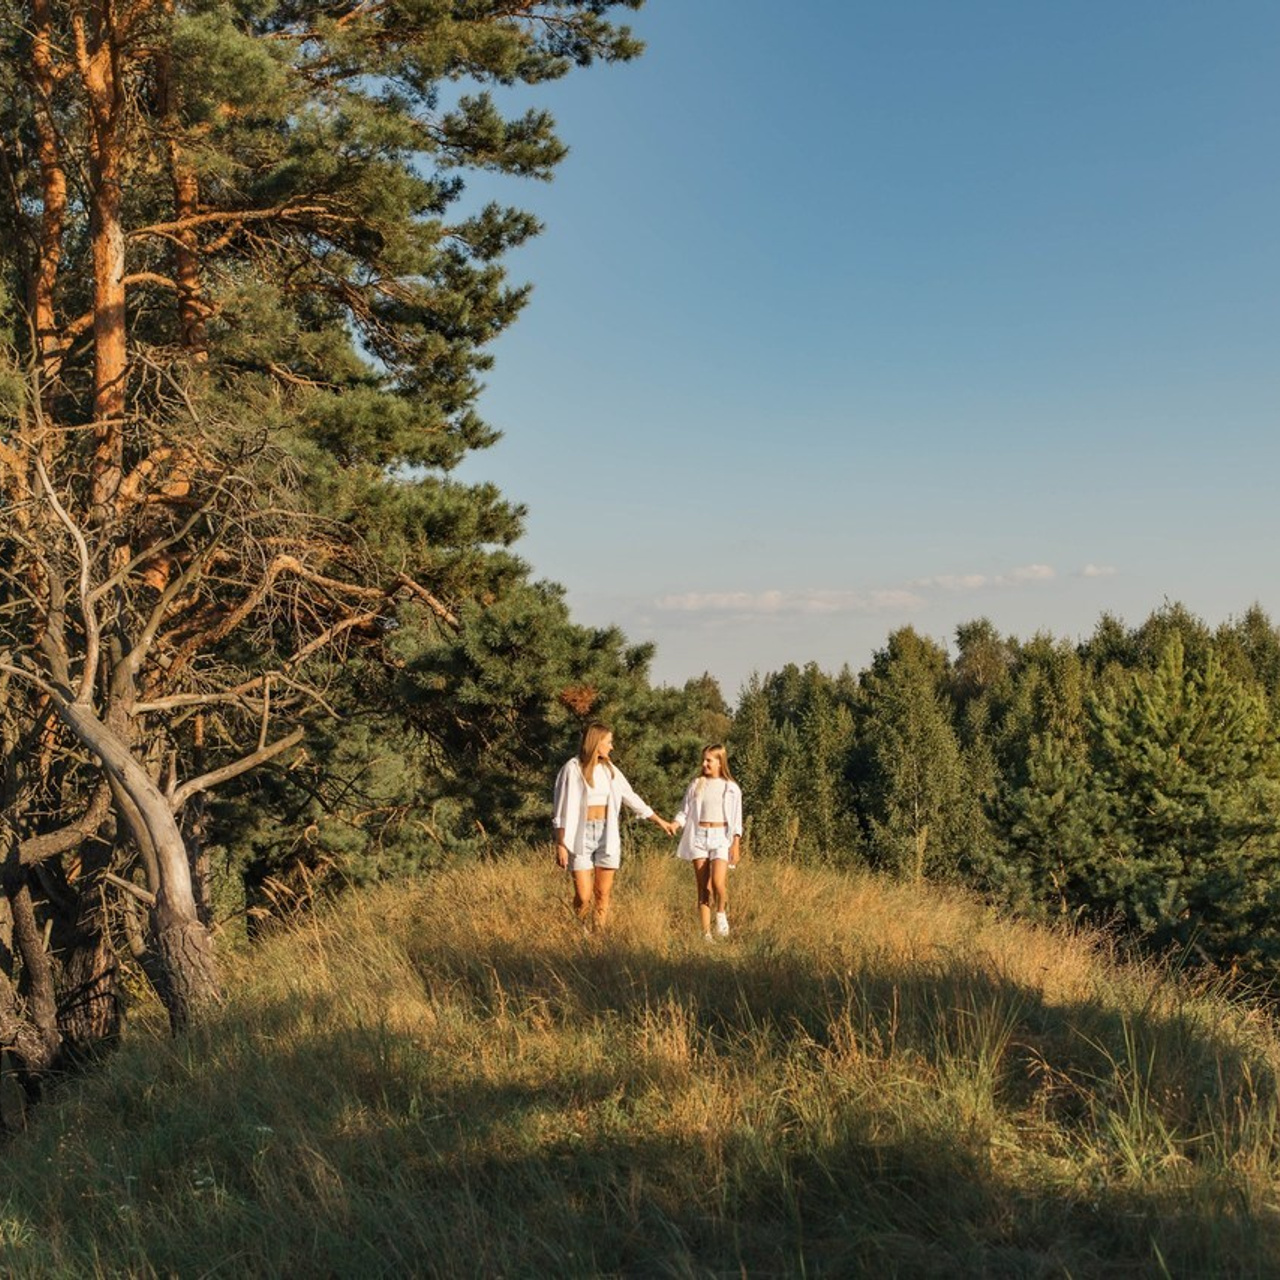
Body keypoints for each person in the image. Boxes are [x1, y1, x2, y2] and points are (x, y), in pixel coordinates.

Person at [553, 722, 674, 930]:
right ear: (596, 743)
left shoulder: (610, 771)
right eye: (609, 742)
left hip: (606, 835)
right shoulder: (571, 769)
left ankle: (598, 935)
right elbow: (560, 809)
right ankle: (579, 930)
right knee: (583, 896)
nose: (612, 747)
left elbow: (631, 797)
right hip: (579, 835)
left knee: (602, 893)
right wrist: (560, 843)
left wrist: (659, 820)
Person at [672, 744, 743, 940]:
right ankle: (706, 934)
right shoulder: (696, 784)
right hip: (699, 836)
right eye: (703, 760)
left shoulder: (731, 788)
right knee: (703, 888)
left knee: (719, 882)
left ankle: (720, 912)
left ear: (720, 762)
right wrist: (675, 825)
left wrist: (735, 845)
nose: (704, 764)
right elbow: (684, 811)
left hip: (721, 837)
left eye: (709, 760)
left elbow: (737, 820)